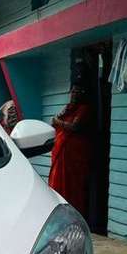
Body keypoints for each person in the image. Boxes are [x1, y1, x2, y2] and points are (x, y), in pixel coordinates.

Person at [48, 80, 94, 217]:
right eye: (73, 91)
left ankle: (73, 214)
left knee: (72, 186)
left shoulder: (83, 109)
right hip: (61, 152)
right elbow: (54, 122)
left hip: (74, 154)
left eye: (78, 92)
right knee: (58, 183)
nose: (74, 94)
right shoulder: (68, 108)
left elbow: (74, 126)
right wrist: (59, 118)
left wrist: (58, 121)